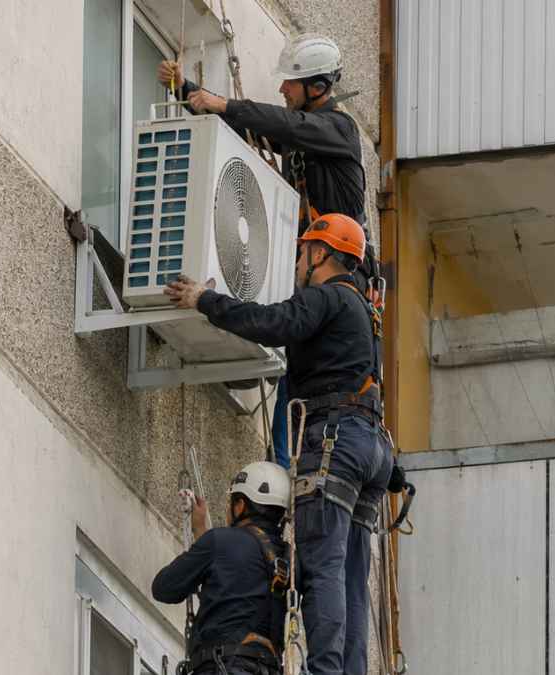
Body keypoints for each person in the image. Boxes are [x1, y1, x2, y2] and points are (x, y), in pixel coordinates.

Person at [163, 213, 395, 675]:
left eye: (303, 252)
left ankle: (326, 671)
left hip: (336, 439)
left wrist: (205, 300)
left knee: (324, 566)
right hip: (370, 447)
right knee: (352, 576)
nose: (298, 263)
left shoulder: (327, 297)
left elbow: (274, 323)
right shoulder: (363, 314)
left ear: (321, 254)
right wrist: (396, 472)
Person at [157, 34, 375, 469]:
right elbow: (255, 130)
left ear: (317, 87)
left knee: (299, 361)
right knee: (294, 360)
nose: (282, 89)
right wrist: (188, 92)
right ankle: (284, 461)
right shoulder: (306, 137)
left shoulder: (339, 130)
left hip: (340, 273)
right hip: (313, 271)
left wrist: (223, 102)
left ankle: (288, 463)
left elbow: (287, 125)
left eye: (290, 83)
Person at [153, 461, 292, 675]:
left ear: (241, 506)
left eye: (231, 502)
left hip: (223, 666)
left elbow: (164, 587)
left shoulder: (219, 541)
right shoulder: (287, 561)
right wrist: (201, 533)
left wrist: (203, 544)